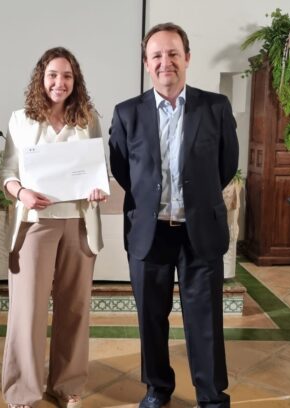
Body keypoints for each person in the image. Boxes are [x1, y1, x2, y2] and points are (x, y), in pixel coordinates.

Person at [108, 23, 238, 408]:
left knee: (205, 320)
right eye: (157, 55)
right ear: (146, 63)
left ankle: (211, 396)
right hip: (150, 232)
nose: (165, 62)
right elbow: (122, 169)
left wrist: (196, 198)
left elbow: (226, 165)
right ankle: (157, 388)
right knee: (151, 319)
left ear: (187, 58)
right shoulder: (127, 113)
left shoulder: (215, 107)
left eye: (173, 53)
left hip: (200, 231)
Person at [0, 47, 107, 408]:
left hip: (78, 222)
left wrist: (98, 187)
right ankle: (22, 392)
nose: (60, 82)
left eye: (67, 76)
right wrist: (22, 193)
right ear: (41, 79)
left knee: (74, 308)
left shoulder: (88, 119)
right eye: (53, 75)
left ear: (76, 81)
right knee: (27, 311)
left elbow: (99, 169)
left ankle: (67, 386)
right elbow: (7, 172)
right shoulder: (20, 120)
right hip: (35, 224)